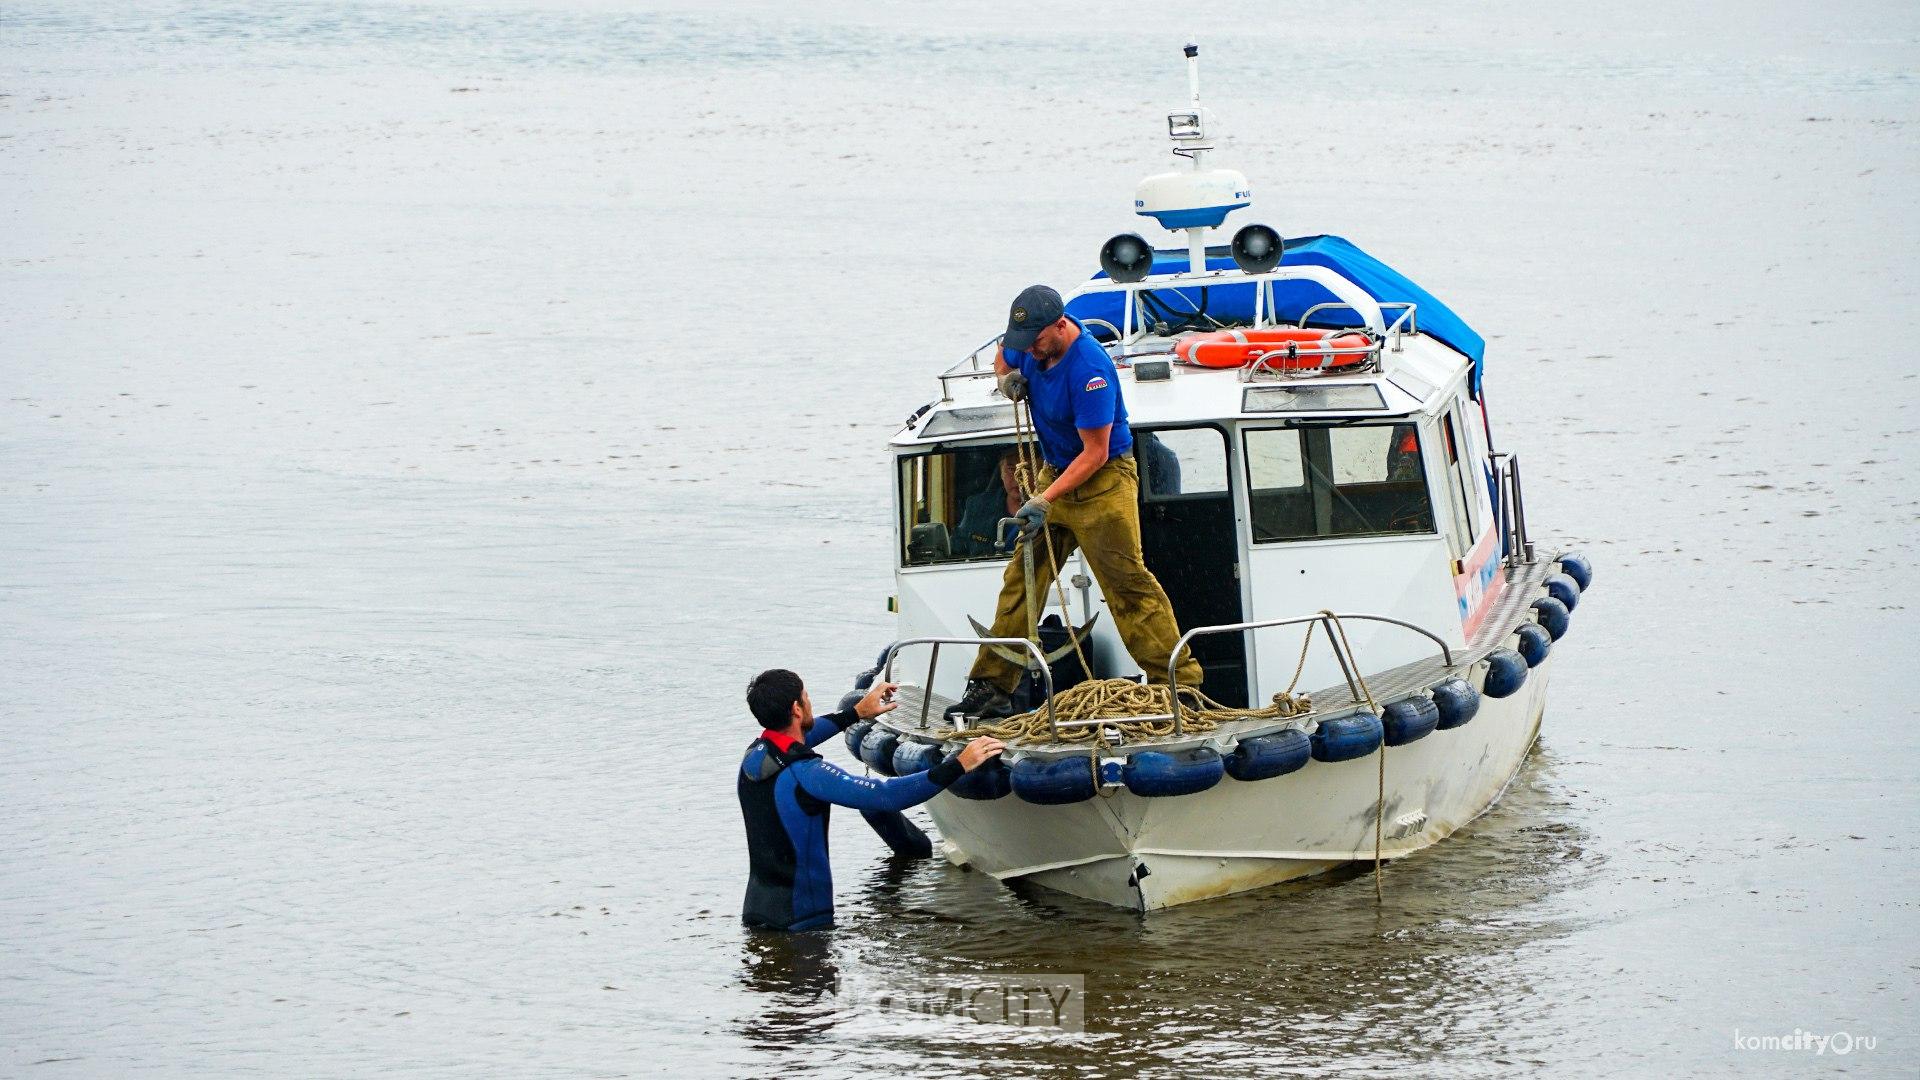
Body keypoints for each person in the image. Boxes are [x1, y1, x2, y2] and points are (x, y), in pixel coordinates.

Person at [949, 284, 1202, 720]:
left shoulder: (1090, 370)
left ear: (1060, 325)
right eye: (1023, 342)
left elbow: (1096, 453)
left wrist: (1044, 499)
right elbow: (1003, 356)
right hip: (1055, 472)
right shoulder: (1030, 343)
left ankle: (1180, 685)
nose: (1029, 349)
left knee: (1126, 584)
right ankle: (993, 685)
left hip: (1104, 482)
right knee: (1023, 576)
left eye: (1035, 342)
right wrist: (1005, 379)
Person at [738, 668, 1004, 932]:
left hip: (758, 911)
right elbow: (884, 795)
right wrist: (959, 764)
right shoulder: (805, 773)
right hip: (803, 921)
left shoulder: (756, 756)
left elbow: (805, 735)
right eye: (807, 698)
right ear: (797, 709)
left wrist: (857, 712)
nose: (810, 703)